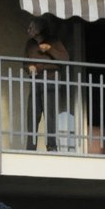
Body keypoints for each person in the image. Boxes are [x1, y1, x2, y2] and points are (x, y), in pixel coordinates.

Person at [25, 15, 71, 152]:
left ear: (39, 30)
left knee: (50, 114)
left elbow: (65, 59)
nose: (28, 30)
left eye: (31, 27)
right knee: (32, 115)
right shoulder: (30, 44)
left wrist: (50, 49)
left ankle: (51, 146)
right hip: (36, 80)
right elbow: (25, 62)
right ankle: (30, 147)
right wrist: (29, 68)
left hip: (50, 80)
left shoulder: (54, 41)